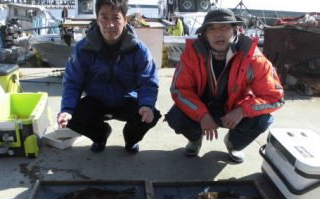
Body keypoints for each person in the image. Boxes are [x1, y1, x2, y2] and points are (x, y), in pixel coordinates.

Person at [165, 8, 284, 163]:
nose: (218, 34)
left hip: (234, 110)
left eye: (224, 27)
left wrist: (242, 110)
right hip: (203, 107)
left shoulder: (254, 57)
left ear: (235, 30)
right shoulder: (191, 53)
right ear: (204, 34)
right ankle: (195, 139)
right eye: (212, 28)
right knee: (175, 117)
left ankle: (233, 144)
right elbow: (180, 89)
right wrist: (201, 114)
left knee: (263, 120)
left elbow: (275, 97)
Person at [58, 0, 160, 154]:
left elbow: (148, 81)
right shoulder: (83, 48)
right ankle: (100, 135)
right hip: (96, 100)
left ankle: (131, 139)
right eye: (104, 18)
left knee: (151, 114)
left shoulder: (139, 49)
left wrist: (146, 105)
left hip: (126, 98)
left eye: (116, 18)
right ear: (97, 19)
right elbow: (73, 82)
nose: (110, 24)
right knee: (72, 117)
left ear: (125, 20)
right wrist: (67, 109)